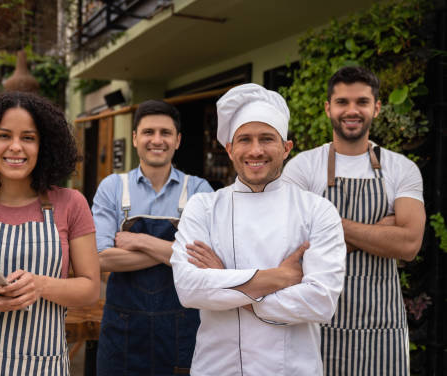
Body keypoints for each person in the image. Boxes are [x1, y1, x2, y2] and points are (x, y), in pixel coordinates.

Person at [170, 83, 347, 375]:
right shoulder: (203, 208)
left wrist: (222, 278)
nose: (255, 150)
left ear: (286, 148)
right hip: (217, 367)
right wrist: (280, 278)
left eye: (267, 139)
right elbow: (189, 290)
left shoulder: (317, 211)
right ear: (229, 149)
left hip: (290, 368)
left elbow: (321, 302)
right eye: (244, 140)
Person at [0, 91, 100, 376]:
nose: (15, 147)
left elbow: (89, 289)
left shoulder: (72, 204)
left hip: (42, 364)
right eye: (3, 135)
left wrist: (40, 285)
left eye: (28, 137)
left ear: (44, 145)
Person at [282, 66, 426, 375]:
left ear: (376, 107)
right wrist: (382, 231)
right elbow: (290, 247)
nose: (351, 110)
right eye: (342, 102)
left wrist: (327, 227)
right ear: (328, 108)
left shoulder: (401, 169)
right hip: (317, 325)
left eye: (361, 102)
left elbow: (410, 244)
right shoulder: (302, 168)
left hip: (381, 327)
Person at [92, 100, 213, 375]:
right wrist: (174, 252)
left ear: (178, 140)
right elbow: (101, 258)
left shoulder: (199, 189)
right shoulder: (112, 187)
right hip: (122, 330)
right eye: (148, 132)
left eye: (165, 133)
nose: (156, 140)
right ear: (135, 138)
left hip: (182, 328)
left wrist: (138, 241)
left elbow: (203, 261)